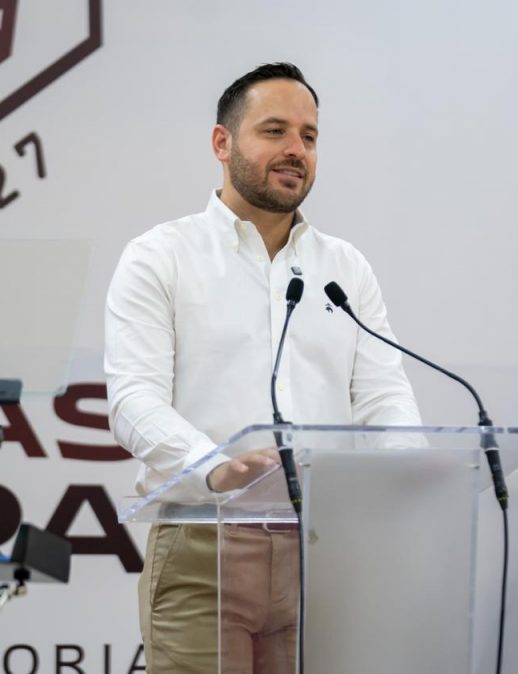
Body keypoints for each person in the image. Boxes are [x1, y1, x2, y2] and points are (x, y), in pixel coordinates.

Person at [104, 63, 421, 674]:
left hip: (327, 548)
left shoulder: (345, 268)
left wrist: (405, 468)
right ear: (222, 143)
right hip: (206, 542)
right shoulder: (161, 256)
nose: (296, 149)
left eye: (309, 136)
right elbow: (133, 400)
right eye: (274, 130)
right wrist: (216, 467)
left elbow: (384, 396)